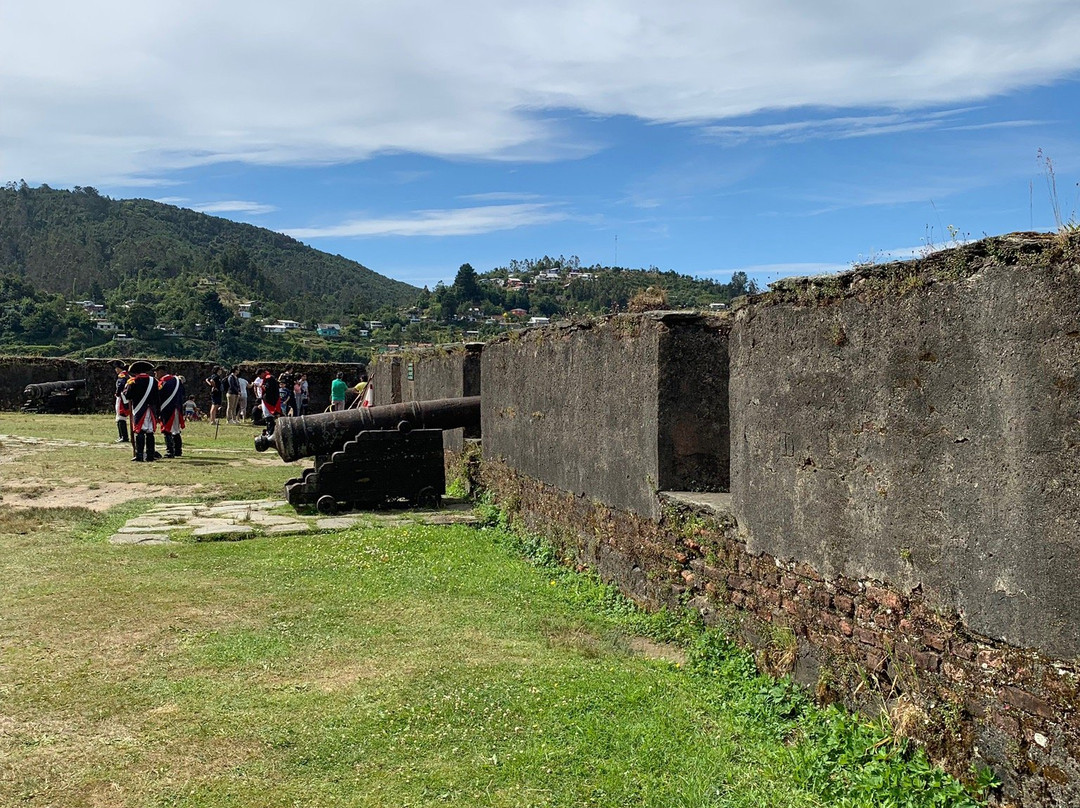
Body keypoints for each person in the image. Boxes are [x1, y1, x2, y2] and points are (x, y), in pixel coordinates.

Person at [123, 360, 160, 462]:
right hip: (151, 409)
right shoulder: (154, 381)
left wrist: (126, 389)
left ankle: (139, 455)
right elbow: (157, 397)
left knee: (139, 431)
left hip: (139, 409)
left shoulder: (133, 381)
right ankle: (150, 455)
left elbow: (128, 396)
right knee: (150, 432)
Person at [157, 370, 185, 458]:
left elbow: (159, 396)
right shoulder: (177, 381)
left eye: (156, 373)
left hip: (167, 408)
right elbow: (183, 393)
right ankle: (178, 450)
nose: (156, 375)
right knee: (176, 430)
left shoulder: (163, 382)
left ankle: (170, 451)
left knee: (166, 430)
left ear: (160, 372)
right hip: (177, 408)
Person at [112, 360, 130, 443]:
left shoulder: (122, 376)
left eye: (116, 368)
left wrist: (117, 393)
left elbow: (120, 385)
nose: (115, 370)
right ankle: (122, 436)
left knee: (120, 416)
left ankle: (123, 436)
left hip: (122, 398)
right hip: (126, 398)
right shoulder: (127, 375)